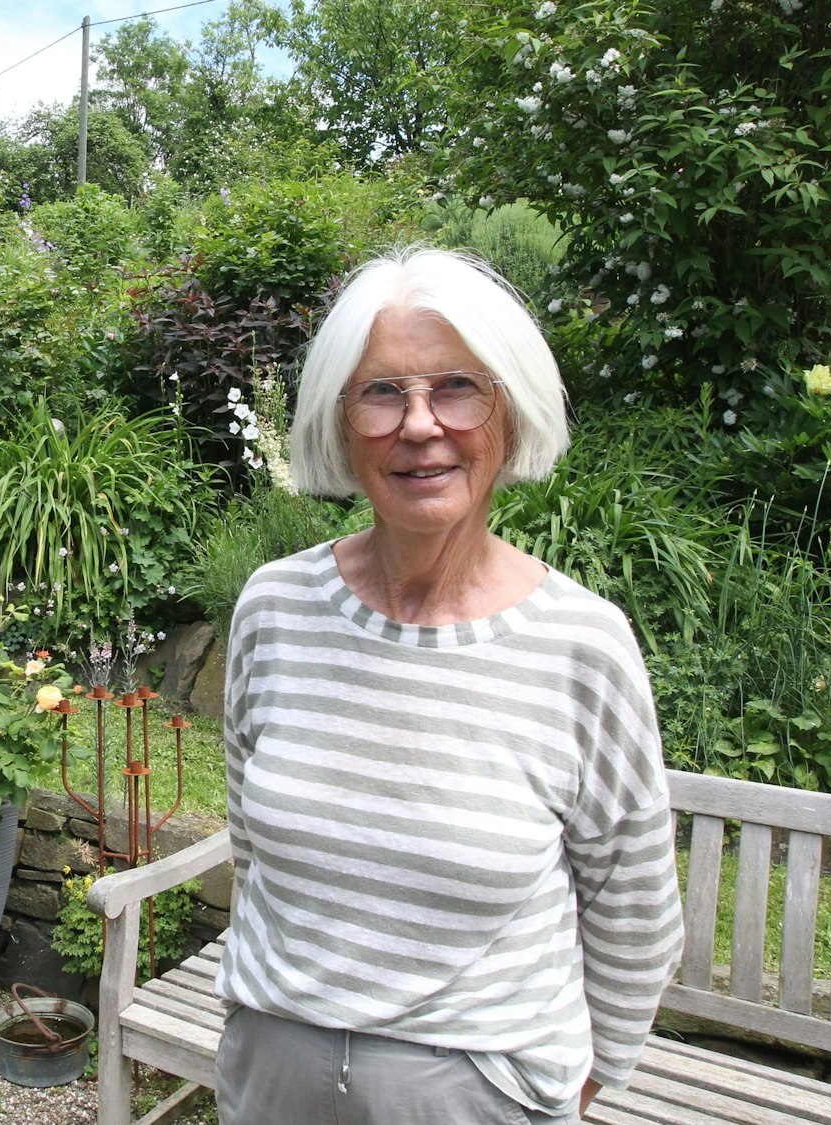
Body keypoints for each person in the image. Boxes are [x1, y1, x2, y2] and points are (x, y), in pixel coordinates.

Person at [216, 247, 684, 1125]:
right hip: (273, 1072)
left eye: (458, 387)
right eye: (382, 392)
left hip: (481, 1093)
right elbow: (252, 847)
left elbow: (636, 906)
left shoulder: (582, 643)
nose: (421, 424)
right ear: (340, 421)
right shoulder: (274, 605)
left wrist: (575, 1087)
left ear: (510, 415)